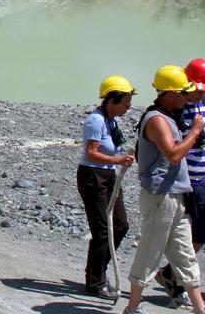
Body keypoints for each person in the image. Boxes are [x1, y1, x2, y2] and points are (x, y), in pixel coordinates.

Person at [122, 66, 205, 314]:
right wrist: (194, 132)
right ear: (170, 93)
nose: (186, 98)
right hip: (161, 196)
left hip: (174, 195)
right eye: (183, 93)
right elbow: (172, 154)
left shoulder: (167, 117)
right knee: (151, 250)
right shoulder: (157, 120)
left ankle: (200, 309)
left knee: (184, 254)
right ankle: (132, 308)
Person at [157, 58, 205, 307]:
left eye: (204, 90)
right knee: (174, 234)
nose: (201, 94)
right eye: (198, 89)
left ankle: (170, 275)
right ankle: (178, 284)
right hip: (178, 182)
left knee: (200, 234)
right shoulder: (174, 109)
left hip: (199, 180)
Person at [77, 75, 136, 298]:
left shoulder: (111, 120)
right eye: (126, 102)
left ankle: (98, 269)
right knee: (102, 230)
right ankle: (95, 281)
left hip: (108, 176)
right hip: (93, 177)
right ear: (112, 100)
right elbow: (91, 152)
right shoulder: (96, 120)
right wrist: (116, 160)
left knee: (120, 225)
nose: (128, 107)